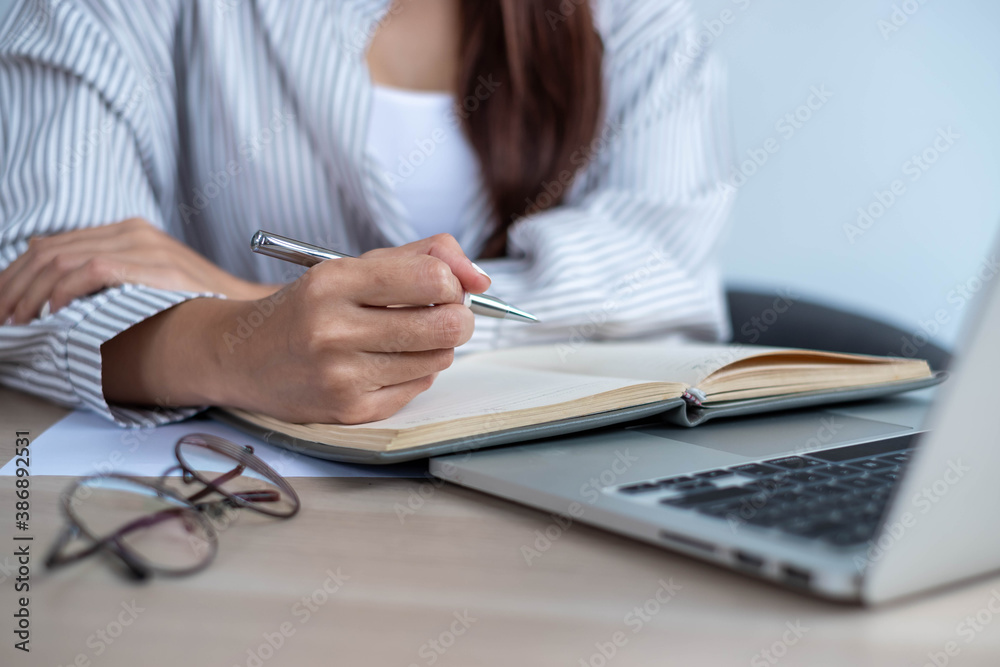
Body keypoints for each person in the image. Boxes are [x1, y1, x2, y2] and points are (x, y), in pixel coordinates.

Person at [0, 0, 733, 428]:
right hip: (235, 510)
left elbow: (666, 289)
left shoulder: (640, 17)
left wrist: (256, 306)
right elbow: (34, 288)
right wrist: (233, 348)